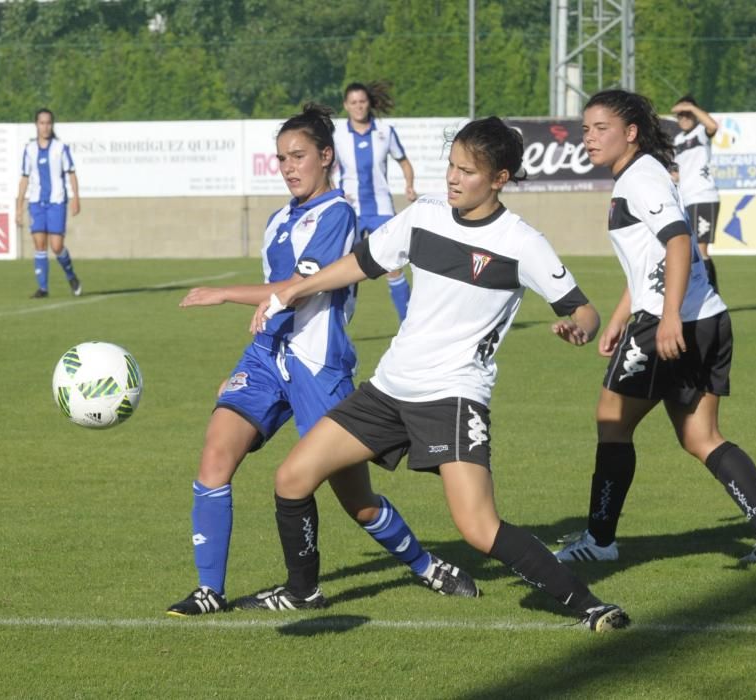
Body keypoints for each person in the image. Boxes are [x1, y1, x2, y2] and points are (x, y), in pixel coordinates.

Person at [238, 116, 631, 633]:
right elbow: (362, 262)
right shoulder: (424, 215)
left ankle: (588, 605)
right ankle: (302, 590)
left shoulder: (521, 242)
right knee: (292, 479)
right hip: (389, 388)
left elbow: (583, 310)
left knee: (478, 527)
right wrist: (292, 290)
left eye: (467, 171)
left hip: (452, 397)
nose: (452, 178)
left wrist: (579, 328)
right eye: (450, 165)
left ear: (499, 179)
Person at [166, 104, 477, 617]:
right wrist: (246, 360)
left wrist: (223, 293)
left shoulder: (338, 214)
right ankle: (209, 591)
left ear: (325, 157)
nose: (289, 167)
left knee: (357, 499)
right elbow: (275, 305)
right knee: (215, 457)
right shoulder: (275, 221)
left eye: (299, 156)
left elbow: (296, 291)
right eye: (281, 158)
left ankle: (425, 566)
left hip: (319, 367)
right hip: (268, 359)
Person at [555, 89, 756, 566]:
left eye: (600, 128)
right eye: (585, 129)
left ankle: (599, 541)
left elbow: (677, 241)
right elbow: (651, 258)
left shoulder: (641, 180)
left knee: (612, 421)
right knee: (700, 437)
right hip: (708, 315)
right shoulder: (641, 173)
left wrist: (666, 318)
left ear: (630, 133)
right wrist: (620, 316)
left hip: (671, 322)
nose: (589, 137)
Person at [334, 81, 416, 321]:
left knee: (393, 266)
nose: (359, 107)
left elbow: (404, 162)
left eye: (362, 101)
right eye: (353, 103)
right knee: (349, 269)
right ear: (346, 106)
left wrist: (409, 185)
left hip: (381, 209)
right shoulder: (337, 135)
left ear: (368, 103)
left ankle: (408, 324)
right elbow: (326, 169)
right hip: (351, 211)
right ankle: (341, 322)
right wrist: (334, 194)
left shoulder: (385, 131)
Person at [16, 108, 82, 299]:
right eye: (42, 123)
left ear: (52, 125)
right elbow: (24, 178)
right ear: (36, 125)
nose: (45, 127)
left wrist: (76, 198)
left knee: (56, 246)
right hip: (36, 203)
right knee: (39, 244)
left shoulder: (60, 148)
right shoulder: (29, 149)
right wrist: (19, 206)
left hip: (56, 202)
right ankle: (43, 288)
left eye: (48, 123)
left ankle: (71, 276)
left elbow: (71, 173)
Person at [671, 95, 721, 292]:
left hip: (704, 197)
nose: (683, 118)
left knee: (701, 249)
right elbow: (679, 172)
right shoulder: (678, 140)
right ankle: (700, 293)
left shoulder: (701, 132)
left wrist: (692, 107)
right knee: (692, 251)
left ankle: (712, 294)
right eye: (680, 115)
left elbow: (713, 126)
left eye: (687, 114)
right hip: (687, 199)